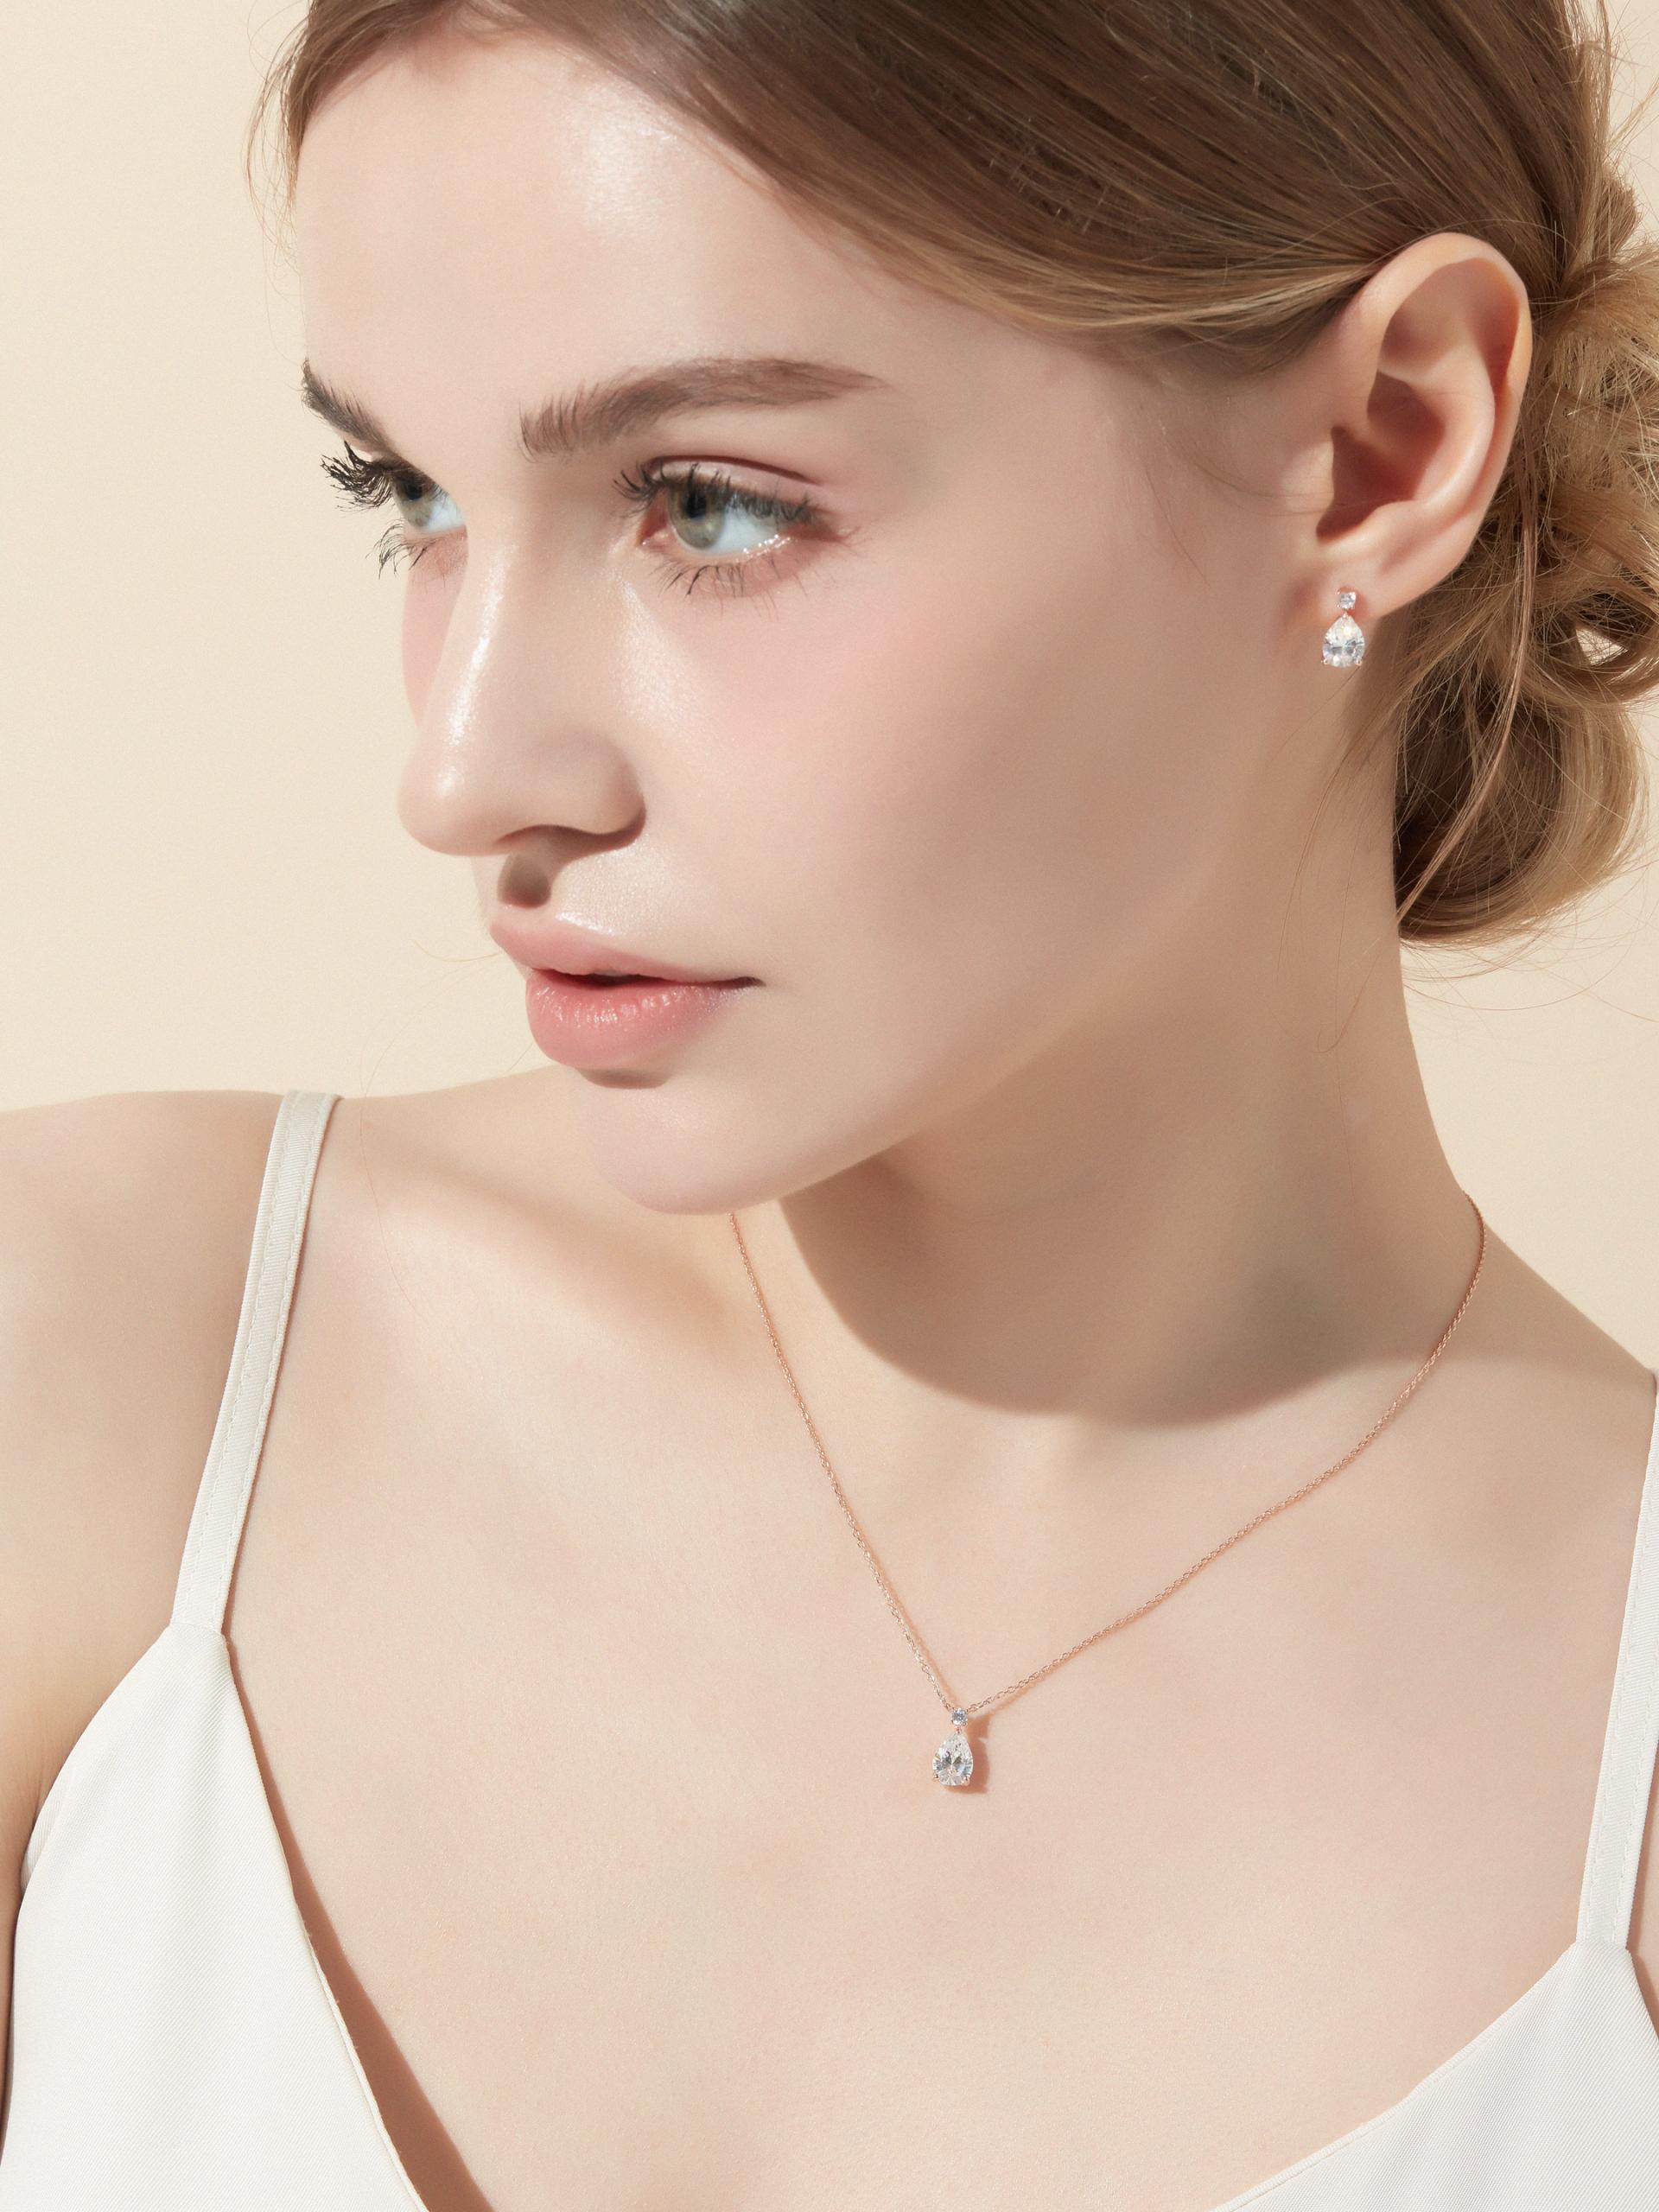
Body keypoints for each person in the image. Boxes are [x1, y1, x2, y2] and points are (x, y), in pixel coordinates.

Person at [4, 1, 1659, 2205]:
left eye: (710, 504)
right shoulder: (97, 1381)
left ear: (1381, 447)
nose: (464, 770)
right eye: (411, 497)